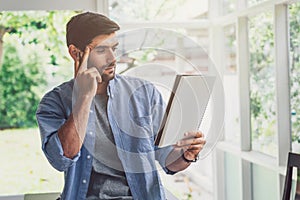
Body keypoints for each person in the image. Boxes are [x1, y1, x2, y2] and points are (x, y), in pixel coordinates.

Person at [36, 12, 206, 200]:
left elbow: (168, 161)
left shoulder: (144, 93)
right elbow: (61, 158)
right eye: (101, 50)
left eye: (114, 49)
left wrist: (186, 154)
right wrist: (83, 97)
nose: (112, 58)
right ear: (75, 53)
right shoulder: (54, 102)